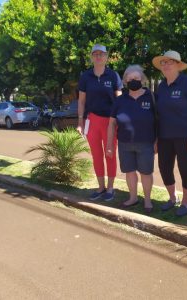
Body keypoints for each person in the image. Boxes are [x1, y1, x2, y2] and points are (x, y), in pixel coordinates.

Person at [152, 50, 187, 216]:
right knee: (164, 168)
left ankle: (186, 202)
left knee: (185, 169)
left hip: (185, 137)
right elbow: (158, 115)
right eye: (163, 62)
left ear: (178, 65)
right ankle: (172, 198)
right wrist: (156, 139)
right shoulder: (161, 86)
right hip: (165, 136)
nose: (166, 65)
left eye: (170, 62)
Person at [106, 65, 156, 213]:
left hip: (146, 143)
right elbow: (111, 124)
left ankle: (147, 200)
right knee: (129, 172)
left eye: (137, 78)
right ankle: (133, 198)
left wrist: (157, 141)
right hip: (124, 144)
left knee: (146, 173)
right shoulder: (120, 100)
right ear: (125, 81)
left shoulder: (152, 97)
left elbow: (159, 121)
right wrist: (109, 145)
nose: (133, 80)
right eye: (130, 78)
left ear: (143, 79)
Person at [77, 44, 122, 201]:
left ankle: (110, 188)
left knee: (109, 154)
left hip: (110, 122)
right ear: (91, 57)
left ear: (106, 56)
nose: (98, 56)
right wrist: (80, 122)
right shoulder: (85, 76)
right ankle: (101, 187)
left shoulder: (113, 75)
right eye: (95, 54)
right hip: (92, 120)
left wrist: (120, 120)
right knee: (96, 155)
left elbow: (119, 99)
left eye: (101, 54)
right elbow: (81, 101)